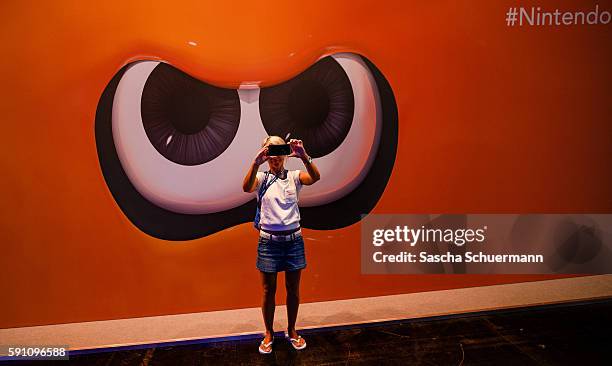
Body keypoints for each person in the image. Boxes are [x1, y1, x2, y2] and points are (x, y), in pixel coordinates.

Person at [242, 135, 321, 354]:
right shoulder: (260, 178)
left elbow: (315, 177)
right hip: (268, 243)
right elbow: (246, 187)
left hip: (293, 241)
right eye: (270, 150)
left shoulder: (294, 177)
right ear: (265, 153)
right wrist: (255, 162)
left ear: (286, 153)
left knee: (293, 290)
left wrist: (304, 157)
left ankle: (292, 330)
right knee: (268, 290)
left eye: (280, 150)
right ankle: (269, 333)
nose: (275, 155)